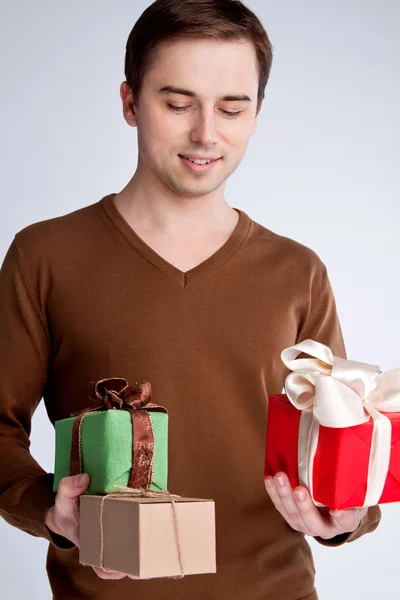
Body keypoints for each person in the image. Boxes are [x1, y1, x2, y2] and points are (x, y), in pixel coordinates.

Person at [0, 1, 381, 599]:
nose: (206, 133)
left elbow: (338, 440)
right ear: (129, 102)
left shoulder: (297, 271)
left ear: (256, 116)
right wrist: (51, 511)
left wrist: (346, 520)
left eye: (233, 108)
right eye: (178, 105)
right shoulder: (44, 256)